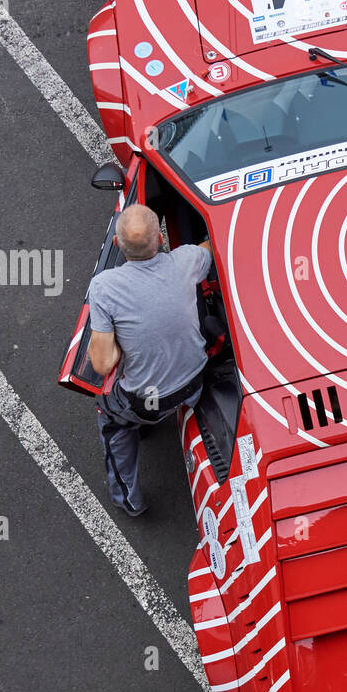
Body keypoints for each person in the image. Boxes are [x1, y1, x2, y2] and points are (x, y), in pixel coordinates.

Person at [87, 203, 212, 516]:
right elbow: (215, 245)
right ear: (160, 238)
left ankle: (128, 499)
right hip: (196, 383)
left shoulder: (104, 287)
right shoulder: (186, 260)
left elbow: (102, 365)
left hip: (147, 401)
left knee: (110, 415)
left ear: (116, 244)